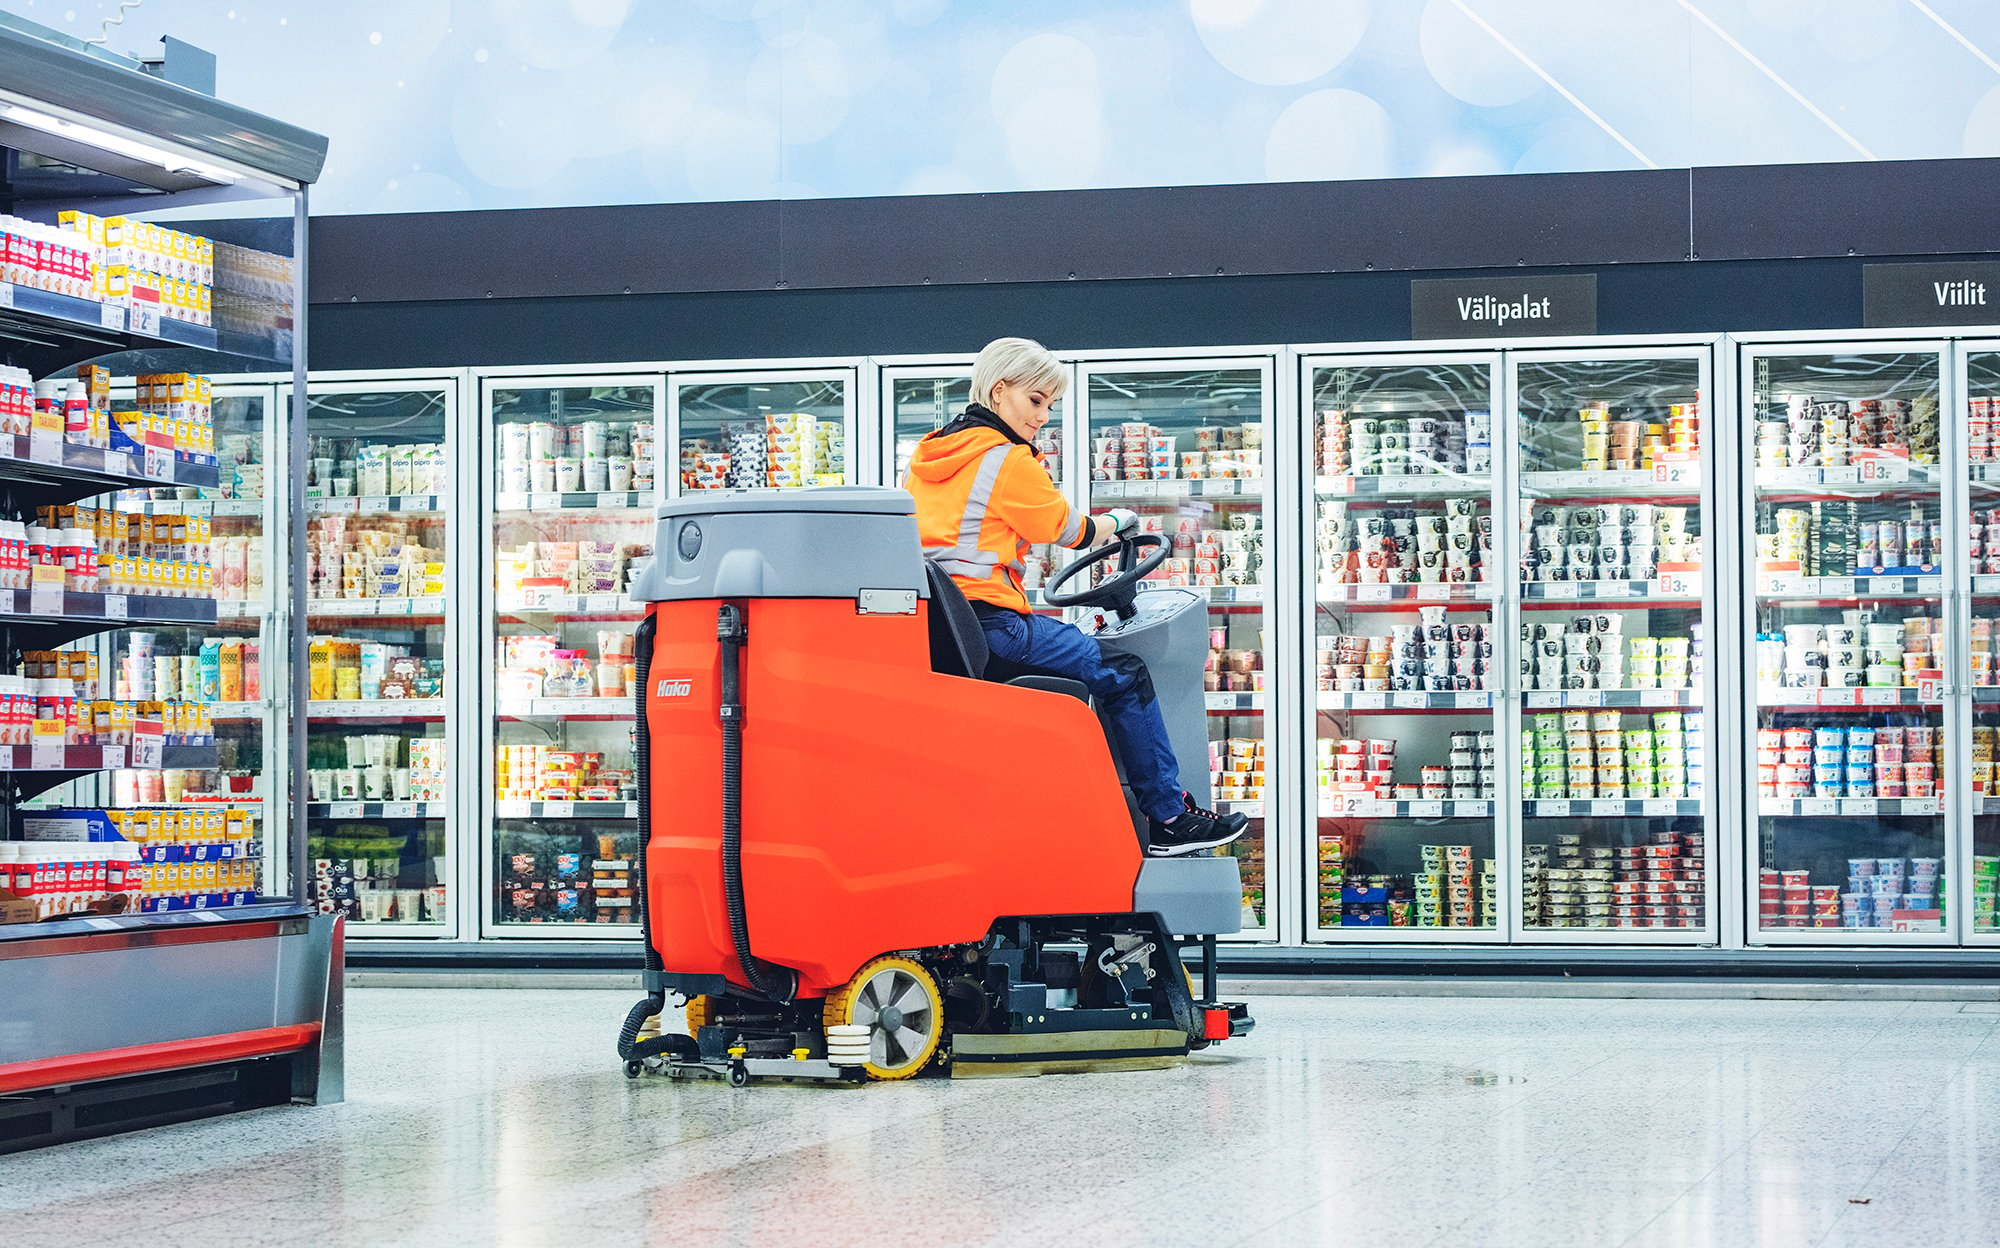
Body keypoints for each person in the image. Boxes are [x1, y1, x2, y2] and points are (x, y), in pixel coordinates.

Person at [903, 336, 1248, 857]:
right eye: (1036, 400)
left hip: (952, 629)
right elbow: (1069, 530)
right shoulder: (1005, 458)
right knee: (1125, 674)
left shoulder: (932, 455)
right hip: (996, 627)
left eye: (1050, 404)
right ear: (999, 392)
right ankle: (1170, 818)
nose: (1043, 416)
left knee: (1097, 663)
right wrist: (1120, 522)